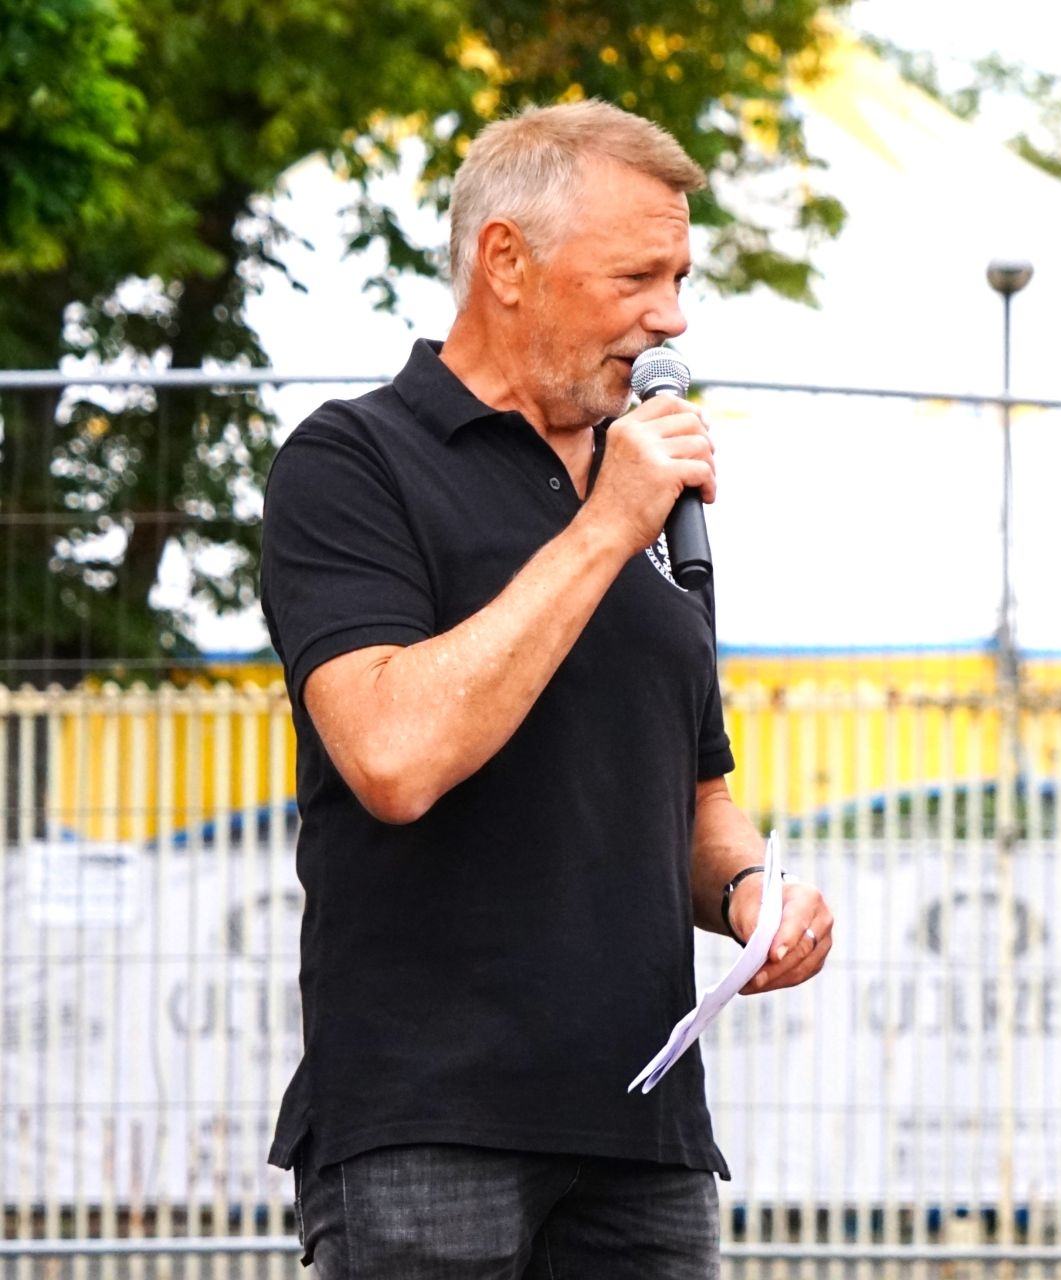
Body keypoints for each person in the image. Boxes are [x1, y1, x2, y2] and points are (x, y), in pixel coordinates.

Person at [258, 100, 833, 1277]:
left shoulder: (644, 496)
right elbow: (392, 756)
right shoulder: (353, 460)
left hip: (645, 1128)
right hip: (431, 1123)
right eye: (636, 277)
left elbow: (696, 800)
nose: (672, 316)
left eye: (679, 278)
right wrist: (605, 528)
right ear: (506, 261)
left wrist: (752, 892)